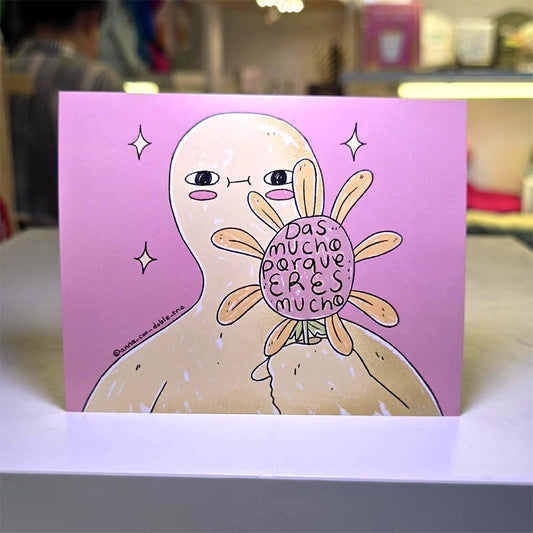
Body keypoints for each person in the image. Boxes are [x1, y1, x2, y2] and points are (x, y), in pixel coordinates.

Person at [8, 1, 123, 226]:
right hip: (73, 239)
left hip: (8, 239)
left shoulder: (6, 71)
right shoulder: (98, 82)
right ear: (90, 20)